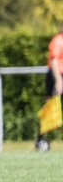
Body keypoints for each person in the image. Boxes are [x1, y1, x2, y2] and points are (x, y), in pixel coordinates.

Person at [36, 22, 63, 151]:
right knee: (51, 110)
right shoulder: (58, 41)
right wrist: (58, 80)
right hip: (56, 77)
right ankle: (41, 140)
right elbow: (54, 60)